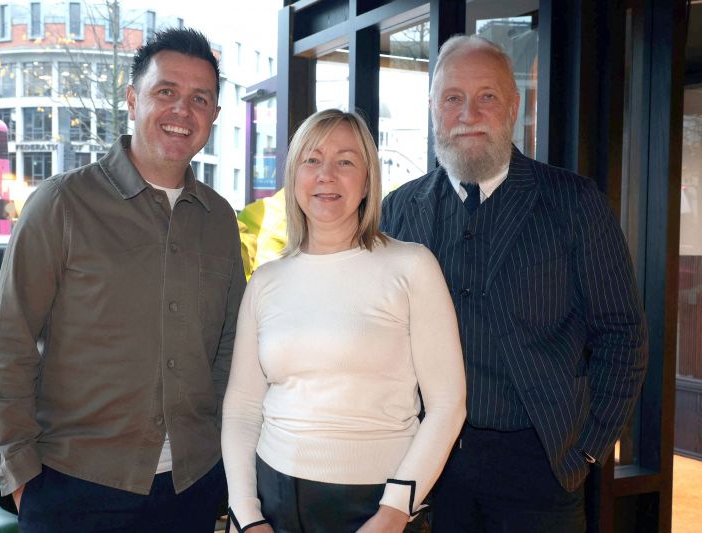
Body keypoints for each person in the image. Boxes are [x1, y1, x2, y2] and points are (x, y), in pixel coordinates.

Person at [381, 35, 649, 532]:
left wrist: (588, 449)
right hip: (427, 467)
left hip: (541, 466)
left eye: (487, 96)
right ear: (434, 109)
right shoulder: (399, 208)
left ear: (514, 106)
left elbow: (623, 333)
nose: (468, 113)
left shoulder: (574, 202)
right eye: (453, 98)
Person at [0, 28, 246, 532]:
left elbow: (228, 346)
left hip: (191, 488)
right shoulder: (61, 203)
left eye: (200, 99)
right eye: (165, 91)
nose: (182, 111)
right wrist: (20, 474)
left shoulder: (219, 218)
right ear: (132, 99)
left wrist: (214, 451)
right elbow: (10, 343)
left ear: (214, 115)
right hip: (73, 485)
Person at [222, 109, 466, 533]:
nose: (326, 175)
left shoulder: (411, 266)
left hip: (376, 504)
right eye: (311, 160)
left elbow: (448, 404)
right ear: (294, 175)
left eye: (346, 161)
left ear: (368, 179)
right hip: (274, 500)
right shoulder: (266, 281)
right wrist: (247, 516)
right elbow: (243, 408)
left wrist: (394, 511)